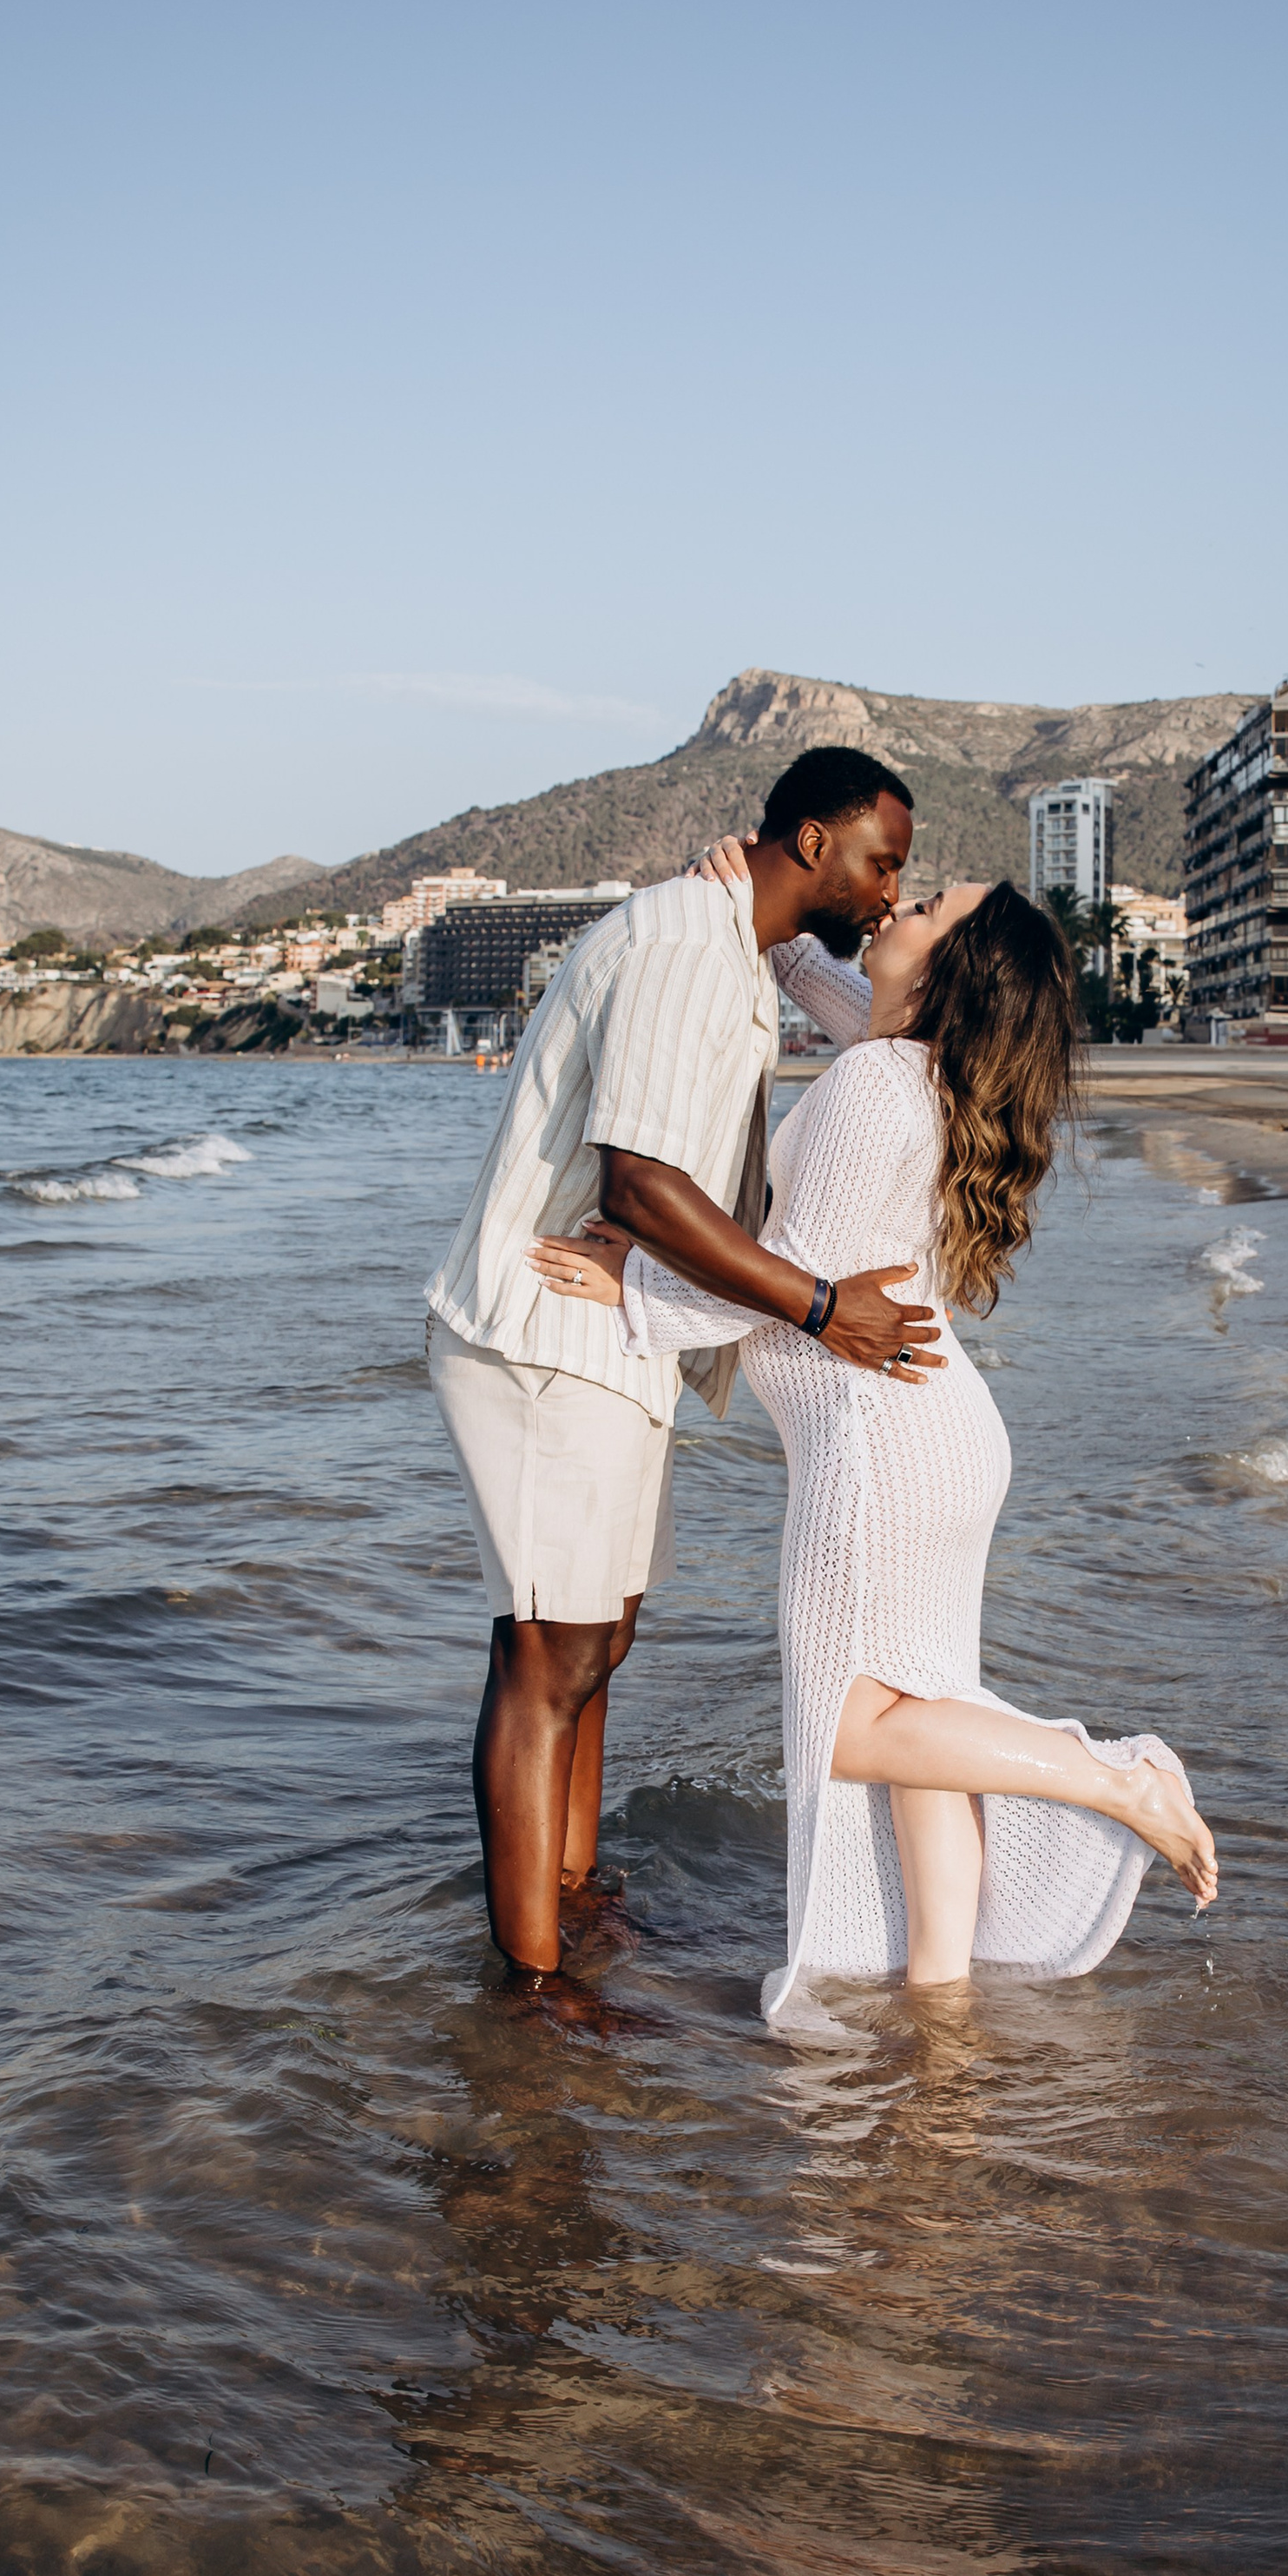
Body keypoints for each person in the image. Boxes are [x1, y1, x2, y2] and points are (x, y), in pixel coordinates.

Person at [529, 874, 1218, 2024]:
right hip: (934, 1443)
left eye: (927, 911)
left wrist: (632, 1284)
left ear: (951, 974)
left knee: (853, 1729)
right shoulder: (929, 1070)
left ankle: (1118, 1781)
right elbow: (862, 1009)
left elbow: (786, 1282)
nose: (897, 913)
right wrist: (776, 928)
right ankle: (939, 2005)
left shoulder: (871, 1085)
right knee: (920, 1742)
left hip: (875, 1452)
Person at [424, 746, 937, 1986]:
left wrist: (780, 930)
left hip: (616, 1332)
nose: (889, 892)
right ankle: (533, 1988)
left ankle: (570, 1898)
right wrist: (823, 1310)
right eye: (883, 864)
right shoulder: (682, 945)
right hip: (542, 1327)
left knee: (596, 1645)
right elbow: (641, 1185)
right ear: (812, 842)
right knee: (549, 1656)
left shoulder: (735, 945)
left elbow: (886, 1023)